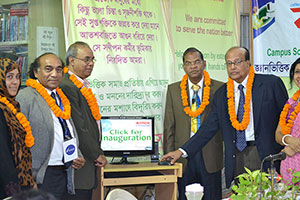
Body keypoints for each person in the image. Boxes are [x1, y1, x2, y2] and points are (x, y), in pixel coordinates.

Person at [161, 46, 288, 189]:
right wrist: (181, 151)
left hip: (265, 154)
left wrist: (287, 145)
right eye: (229, 63)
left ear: (248, 62)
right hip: (237, 157)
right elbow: (208, 128)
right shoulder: (222, 94)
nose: (233, 67)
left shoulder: (270, 84)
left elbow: (287, 118)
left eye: (237, 62)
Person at [16, 53, 85, 199]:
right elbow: (18, 141)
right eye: (48, 69)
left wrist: (77, 153)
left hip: (65, 171)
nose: (55, 74)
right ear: (36, 72)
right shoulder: (26, 96)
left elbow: (65, 130)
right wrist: (27, 178)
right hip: (41, 175)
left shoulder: (61, 96)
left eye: (59, 69)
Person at [163, 47, 223, 200]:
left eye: (197, 62)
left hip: (210, 154)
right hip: (182, 156)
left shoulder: (220, 88)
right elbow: (169, 125)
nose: (193, 66)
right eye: (188, 63)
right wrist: (169, 158)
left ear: (204, 64)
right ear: (184, 67)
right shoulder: (173, 90)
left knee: (211, 196)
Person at [60, 41, 107, 199]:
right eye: (86, 59)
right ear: (71, 61)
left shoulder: (81, 85)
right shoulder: (67, 86)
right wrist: (96, 154)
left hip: (88, 164)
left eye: (92, 59)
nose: (91, 64)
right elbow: (79, 127)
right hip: (80, 164)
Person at [0, 57, 36, 199]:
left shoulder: (12, 106)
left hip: (18, 183)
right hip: (7, 187)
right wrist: (13, 192)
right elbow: (3, 156)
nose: (15, 82)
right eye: (9, 77)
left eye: (17, 77)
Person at [275, 57, 300, 182]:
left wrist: (294, 146)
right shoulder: (291, 103)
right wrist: (289, 140)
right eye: (297, 72)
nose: (299, 76)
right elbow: (278, 134)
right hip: (288, 164)